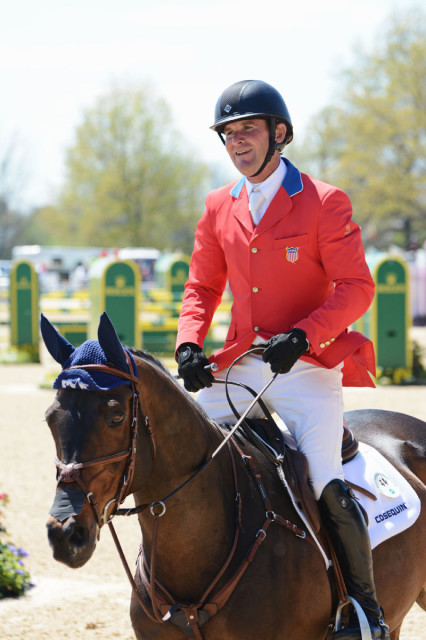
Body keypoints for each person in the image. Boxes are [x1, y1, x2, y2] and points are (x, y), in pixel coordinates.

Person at [175, 80, 390, 640]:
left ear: (280, 134)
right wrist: (189, 343)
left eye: (247, 129)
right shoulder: (219, 205)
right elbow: (201, 285)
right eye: (228, 134)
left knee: (321, 475)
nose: (237, 142)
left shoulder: (325, 201)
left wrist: (304, 334)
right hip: (242, 362)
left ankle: (362, 608)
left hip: (307, 367)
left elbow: (356, 288)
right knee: (187, 456)